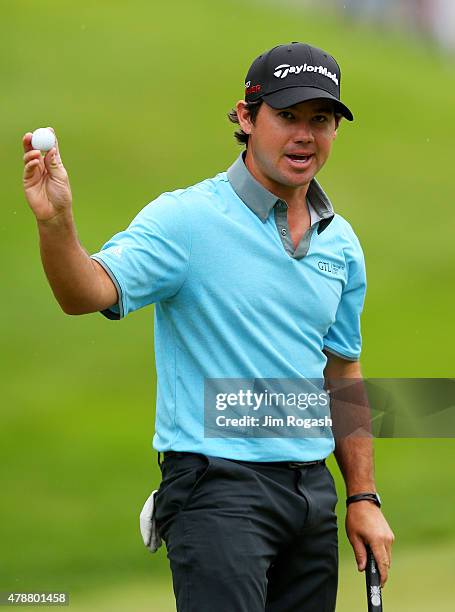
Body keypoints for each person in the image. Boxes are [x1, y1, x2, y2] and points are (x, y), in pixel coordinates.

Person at [22, 42, 394, 612]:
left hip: (312, 495)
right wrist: (57, 225)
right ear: (246, 119)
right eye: (287, 117)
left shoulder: (339, 242)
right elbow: (86, 293)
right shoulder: (185, 220)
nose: (304, 135)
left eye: (320, 120)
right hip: (218, 491)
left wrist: (362, 496)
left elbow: (341, 371)